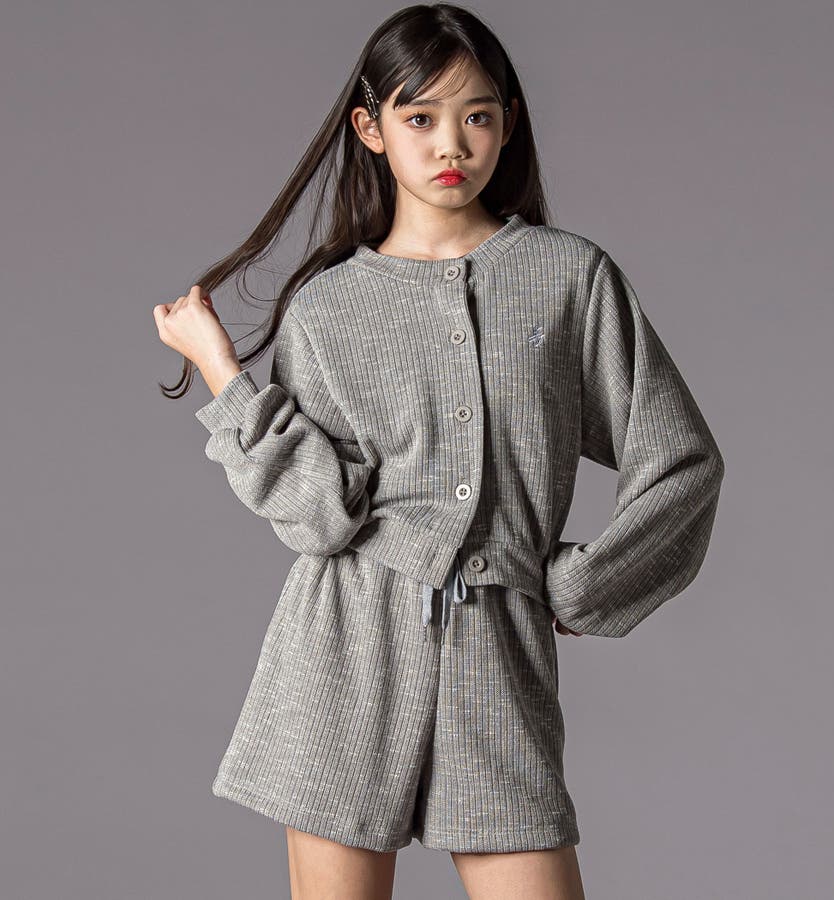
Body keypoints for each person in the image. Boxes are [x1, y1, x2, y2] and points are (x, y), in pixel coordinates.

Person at [152, 4, 725, 898]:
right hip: (343, 658)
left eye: (477, 115)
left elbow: (681, 460)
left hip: (498, 659)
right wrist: (225, 377)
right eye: (420, 117)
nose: (451, 143)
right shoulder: (329, 309)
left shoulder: (568, 279)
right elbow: (321, 517)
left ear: (509, 123)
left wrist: (589, 585)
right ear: (370, 129)